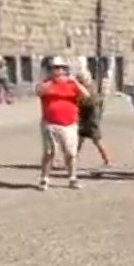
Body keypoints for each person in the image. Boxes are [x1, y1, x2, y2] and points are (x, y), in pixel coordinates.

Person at [37, 57, 89, 190]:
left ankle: (72, 178)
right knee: (49, 152)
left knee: (71, 153)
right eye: (55, 68)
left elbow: (86, 95)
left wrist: (75, 81)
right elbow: (39, 91)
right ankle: (44, 178)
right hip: (50, 122)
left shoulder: (71, 84)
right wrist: (50, 80)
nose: (59, 71)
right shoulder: (46, 83)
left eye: (61, 68)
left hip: (69, 123)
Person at [76, 71, 112, 172]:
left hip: (91, 117)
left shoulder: (91, 88)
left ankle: (107, 159)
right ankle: (73, 159)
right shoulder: (81, 87)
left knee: (97, 140)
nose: (80, 80)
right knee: (79, 140)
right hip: (83, 116)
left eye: (82, 78)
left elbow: (91, 101)